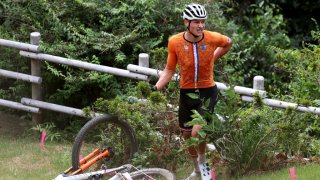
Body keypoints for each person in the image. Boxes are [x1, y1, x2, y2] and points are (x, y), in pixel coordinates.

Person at [154, 3, 232, 180]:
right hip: (186, 92)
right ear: (186, 22)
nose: (201, 25)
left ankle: (204, 165)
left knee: (198, 132)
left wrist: (214, 57)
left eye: (203, 21)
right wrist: (156, 87)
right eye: (196, 21)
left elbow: (228, 43)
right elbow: (169, 70)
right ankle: (196, 169)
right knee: (187, 135)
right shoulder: (175, 42)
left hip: (207, 91)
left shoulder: (212, 38)